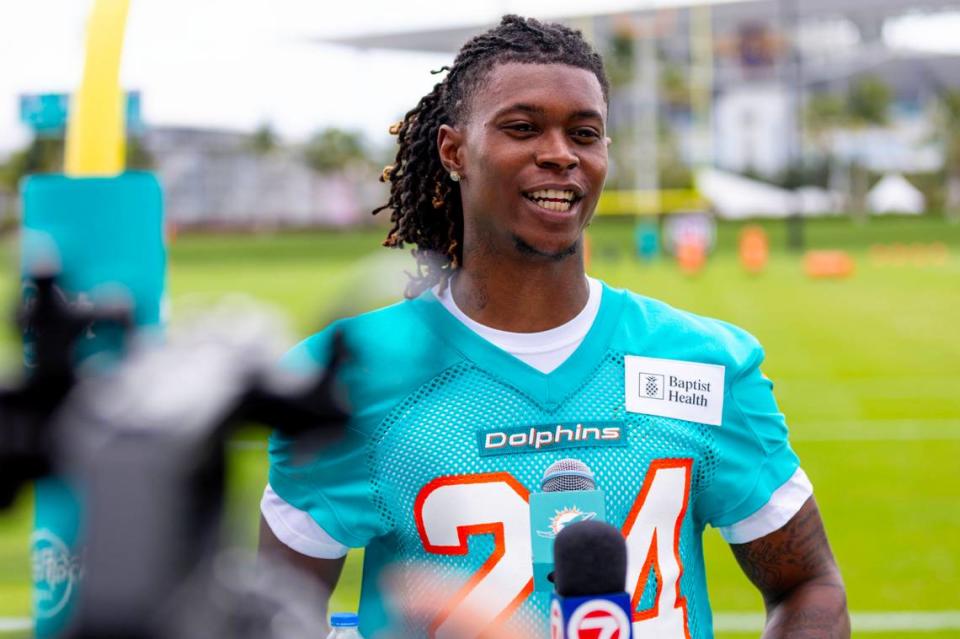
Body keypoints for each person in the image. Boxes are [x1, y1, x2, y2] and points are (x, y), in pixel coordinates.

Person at [258, 15, 849, 639]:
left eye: (584, 133)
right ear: (453, 150)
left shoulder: (701, 366)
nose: (560, 154)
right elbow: (270, 615)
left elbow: (808, 584)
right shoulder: (357, 374)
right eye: (523, 127)